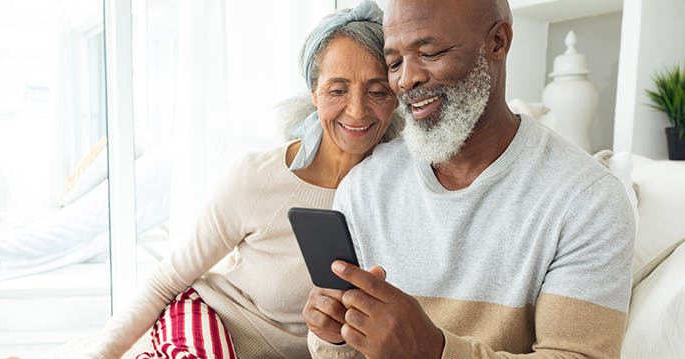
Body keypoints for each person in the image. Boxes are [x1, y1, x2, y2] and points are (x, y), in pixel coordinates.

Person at [303, 0, 635, 358]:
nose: (407, 78)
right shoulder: (365, 186)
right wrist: (334, 335)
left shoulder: (587, 199)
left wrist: (433, 350)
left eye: (430, 52)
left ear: (497, 42)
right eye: (394, 63)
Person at [84, 2, 401, 358]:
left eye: (377, 91)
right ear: (313, 94)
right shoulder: (258, 177)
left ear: (396, 95)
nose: (357, 110)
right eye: (337, 90)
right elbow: (165, 281)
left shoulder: (396, 193)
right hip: (210, 319)